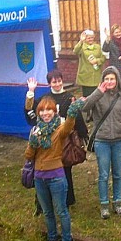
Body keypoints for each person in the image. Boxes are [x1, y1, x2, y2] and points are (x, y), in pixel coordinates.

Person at [24, 96, 85, 241]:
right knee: (47, 212)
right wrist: (33, 143)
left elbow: (69, 125)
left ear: (54, 111)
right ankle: (52, 238)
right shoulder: (36, 130)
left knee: (61, 211)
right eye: (42, 110)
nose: (45, 113)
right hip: (39, 178)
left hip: (56, 177)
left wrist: (72, 112)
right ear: (39, 113)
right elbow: (29, 156)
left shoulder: (59, 130)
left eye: (49, 110)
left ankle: (66, 240)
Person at [24, 70, 88, 209]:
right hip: (46, 141)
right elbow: (30, 110)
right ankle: (42, 203)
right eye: (54, 82)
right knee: (44, 173)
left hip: (64, 140)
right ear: (49, 83)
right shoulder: (45, 98)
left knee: (65, 171)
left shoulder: (70, 97)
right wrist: (31, 91)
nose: (57, 84)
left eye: (59, 81)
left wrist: (83, 134)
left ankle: (67, 201)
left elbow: (76, 117)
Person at [82, 66, 121, 219]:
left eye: (112, 79)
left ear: (117, 80)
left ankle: (118, 202)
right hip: (102, 141)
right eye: (107, 79)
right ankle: (104, 204)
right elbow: (85, 107)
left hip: (119, 141)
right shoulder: (98, 95)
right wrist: (98, 92)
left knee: (117, 174)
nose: (109, 81)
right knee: (104, 175)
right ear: (103, 80)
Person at [73, 30, 106, 97]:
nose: (90, 39)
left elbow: (103, 58)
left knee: (98, 96)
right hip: (86, 76)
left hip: (96, 76)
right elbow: (75, 51)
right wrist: (81, 41)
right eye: (88, 38)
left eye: (92, 37)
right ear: (85, 39)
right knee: (87, 97)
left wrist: (96, 61)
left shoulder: (97, 47)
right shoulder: (81, 47)